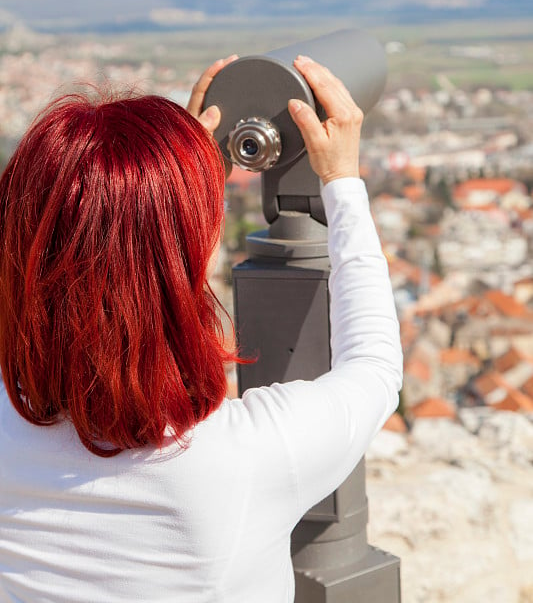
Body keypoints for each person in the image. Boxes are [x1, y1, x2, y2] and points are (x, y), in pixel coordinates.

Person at [0, 55, 402, 603]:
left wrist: (177, 179)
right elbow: (375, 367)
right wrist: (342, 184)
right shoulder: (247, 457)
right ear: (180, 259)